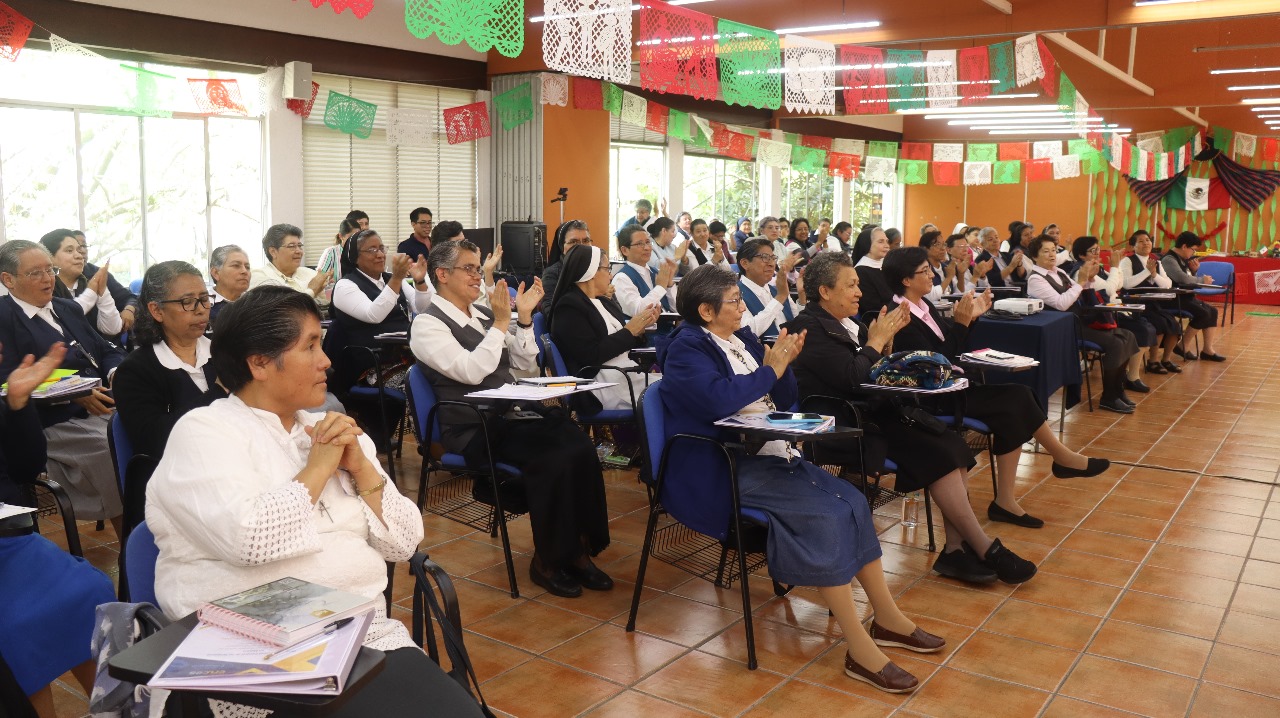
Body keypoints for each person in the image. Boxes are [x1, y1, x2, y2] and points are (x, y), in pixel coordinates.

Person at [146, 286, 481, 716]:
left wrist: (362, 471)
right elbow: (250, 541)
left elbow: (404, 543)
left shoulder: (323, 426)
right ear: (260, 363)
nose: (327, 361)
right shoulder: (206, 431)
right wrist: (319, 469)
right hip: (251, 652)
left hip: (358, 636)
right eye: (311, 346)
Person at [659, 264, 946, 694]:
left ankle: (887, 618)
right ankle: (859, 648)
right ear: (705, 310)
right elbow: (718, 402)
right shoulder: (686, 349)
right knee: (825, 516)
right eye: (735, 301)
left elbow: (785, 399)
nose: (742, 308)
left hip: (766, 454)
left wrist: (785, 363)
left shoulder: (741, 340)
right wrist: (770, 370)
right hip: (722, 466)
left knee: (851, 499)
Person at [784, 252, 1039, 586]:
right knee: (940, 454)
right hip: (848, 423)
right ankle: (985, 547)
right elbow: (852, 378)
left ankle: (956, 551)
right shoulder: (809, 327)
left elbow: (876, 372)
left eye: (859, 284)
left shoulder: (849, 323)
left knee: (953, 447)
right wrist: (876, 341)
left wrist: (884, 343)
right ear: (825, 292)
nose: (859, 292)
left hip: (881, 411)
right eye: (851, 285)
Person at [411, 240, 611, 598]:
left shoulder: (486, 316)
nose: (478, 276)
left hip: (510, 415)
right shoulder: (428, 325)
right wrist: (503, 323)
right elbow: (471, 371)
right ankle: (549, 561)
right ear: (442, 275)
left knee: (578, 443)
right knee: (552, 457)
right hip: (473, 426)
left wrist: (521, 321)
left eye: (477, 268)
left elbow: (524, 366)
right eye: (469, 269)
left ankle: (580, 550)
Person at [882, 247, 1111, 527]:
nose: (932, 275)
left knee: (1017, 399)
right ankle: (1058, 460)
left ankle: (1009, 498)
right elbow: (935, 365)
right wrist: (961, 324)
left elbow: (955, 349)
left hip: (954, 386)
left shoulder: (923, 306)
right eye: (924, 271)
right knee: (1015, 400)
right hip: (933, 398)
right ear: (906, 280)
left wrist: (972, 318)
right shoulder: (900, 315)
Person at [0, 341, 115, 718]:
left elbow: (22, 470)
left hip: (10, 541)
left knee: (89, 590)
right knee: (15, 628)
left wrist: (18, 406)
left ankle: (115, 708)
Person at [0, 240, 124, 535]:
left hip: (105, 404)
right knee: (111, 449)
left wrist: (116, 372)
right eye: (35, 273)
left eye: (50, 270)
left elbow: (106, 348)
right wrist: (73, 392)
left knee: (148, 433)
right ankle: (130, 542)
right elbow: (8, 381)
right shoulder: (4, 318)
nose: (48, 279)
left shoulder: (66, 308)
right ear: (8, 280)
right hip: (50, 419)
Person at [114, 261, 228, 461]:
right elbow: (156, 439)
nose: (201, 309)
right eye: (188, 302)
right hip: (173, 474)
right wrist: (218, 391)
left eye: (204, 299)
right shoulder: (135, 371)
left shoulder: (224, 353)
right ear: (157, 311)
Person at [1025, 234, 1141, 414]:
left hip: (1079, 321)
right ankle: (1108, 397)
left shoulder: (1060, 272)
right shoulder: (1035, 279)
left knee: (1128, 336)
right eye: (1046, 251)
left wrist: (1088, 279)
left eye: (1054, 251)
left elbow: (1080, 292)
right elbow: (1061, 304)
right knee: (1115, 343)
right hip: (1062, 328)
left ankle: (1118, 391)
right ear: (1034, 256)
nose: (1052, 255)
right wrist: (1080, 282)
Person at [548, 244, 660, 411]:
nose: (611, 274)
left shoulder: (604, 302)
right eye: (608, 269)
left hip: (625, 374)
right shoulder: (569, 307)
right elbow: (590, 355)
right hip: (602, 383)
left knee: (679, 387)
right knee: (672, 394)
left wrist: (641, 327)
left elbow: (624, 341)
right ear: (592, 272)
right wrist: (630, 331)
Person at [328, 229, 433, 388]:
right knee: (423, 384)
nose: (380, 254)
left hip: (408, 357)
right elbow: (374, 315)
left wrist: (419, 281)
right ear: (355, 257)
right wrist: (397, 278)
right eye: (372, 250)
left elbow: (423, 307)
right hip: (373, 367)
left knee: (445, 376)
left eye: (382, 248)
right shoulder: (346, 286)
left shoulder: (390, 279)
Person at [1071, 237, 1156, 394]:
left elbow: (1118, 285)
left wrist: (1116, 269)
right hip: (1096, 318)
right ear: (1082, 255)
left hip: (1109, 311)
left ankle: (1128, 378)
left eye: (1097, 249)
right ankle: (1122, 384)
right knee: (1140, 330)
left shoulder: (1096, 267)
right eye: (1092, 251)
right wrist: (1116, 267)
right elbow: (1109, 290)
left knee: (1142, 328)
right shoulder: (1081, 271)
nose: (1097, 253)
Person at [1117, 229, 1185, 375]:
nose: (1145, 243)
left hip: (1154, 303)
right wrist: (1147, 272)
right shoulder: (1127, 261)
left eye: (1147, 240)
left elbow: (1167, 285)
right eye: (1140, 241)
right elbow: (1127, 284)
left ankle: (1165, 360)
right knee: (1158, 323)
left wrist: (1154, 274)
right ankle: (1152, 361)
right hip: (1134, 303)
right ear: (1133, 246)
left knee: (1174, 325)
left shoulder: (1157, 262)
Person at [39, 229, 123, 339]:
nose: (79, 256)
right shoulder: (45, 288)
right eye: (69, 251)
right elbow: (63, 320)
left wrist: (103, 293)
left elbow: (113, 329)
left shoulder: (89, 281)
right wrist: (91, 292)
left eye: (79, 250)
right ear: (50, 258)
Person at [1161, 232, 1226, 361]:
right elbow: (1182, 278)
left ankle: (1207, 350)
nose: (1193, 253)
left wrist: (1194, 271)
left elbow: (1187, 277)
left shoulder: (1182, 259)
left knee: (1212, 311)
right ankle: (1182, 345)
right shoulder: (1169, 259)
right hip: (1173, 298)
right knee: (1203, 313)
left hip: (1185, 297)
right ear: (1184, 246)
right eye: (1193, 249)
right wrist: (1202, 280)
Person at [70, 229, 139, 333]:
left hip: (105, 339)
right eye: (72, 249)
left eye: (84, 246)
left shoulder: (98, 273)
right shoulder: (52, 283)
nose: (82, 251)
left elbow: (129, 298)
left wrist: (129, 309)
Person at [735, 239, 803, 341]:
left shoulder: (778, 289)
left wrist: (802, 296)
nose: (772, 264)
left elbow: (800, 323)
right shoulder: (735, 295)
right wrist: (780, 297)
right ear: (745, 263)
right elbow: (747, 332)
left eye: (773, 258)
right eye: (765, 258)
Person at [249, 224, 331, 308]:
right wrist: (312, 290)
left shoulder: (311, 274)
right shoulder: (260, 277)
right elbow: (283, 310)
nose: (299, 251)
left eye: (299, 246)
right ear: (273, 252)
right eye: (292, 246)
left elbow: (326, 305)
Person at [613, 225, 677, 317]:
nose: (647, 248)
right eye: (640, 244)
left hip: (669, 329)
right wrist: (661, 287)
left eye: (648, 242)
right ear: (625, 250)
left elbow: (676, 309)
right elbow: (639, 312)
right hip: (648, 331)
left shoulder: (655, 272)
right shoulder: (622, 278)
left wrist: (670, 284)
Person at [540, 220, 593, 314]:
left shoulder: (598, 269)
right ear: (562, 247)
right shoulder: (552, 274)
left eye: (586, 241)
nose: (581, 246)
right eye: (573, 242)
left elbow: (617, 311)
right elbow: (550, 313)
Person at [852, 226, 893, 317]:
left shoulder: (887, 265)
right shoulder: (860, 271)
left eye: (886, 241)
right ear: (868, 245)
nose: (887, 245)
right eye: (881, 241)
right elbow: (871, 308)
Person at [316, 219, 358, 307]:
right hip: (337, 299)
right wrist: (327, 281)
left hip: (358, 297)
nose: (355, 241)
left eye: (358, 237)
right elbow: (319, 280)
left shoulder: (362, 253)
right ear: (341, 236)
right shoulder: (331, 252)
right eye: (351, 237)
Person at [208, 244, 251, 330]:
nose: (244, 271)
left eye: (247, 267)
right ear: (216, 273)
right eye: (236, 265)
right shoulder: (204, 305)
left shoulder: (255, 302)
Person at [918, 230, 950, 302]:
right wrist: (948, 278)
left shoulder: (946, 267)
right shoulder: (922, 270)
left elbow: (958, 293)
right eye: (938, 245)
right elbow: (930, 296)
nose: (943, 248)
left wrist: (960, 274)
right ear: (925, 249)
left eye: (944, 244)